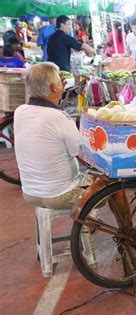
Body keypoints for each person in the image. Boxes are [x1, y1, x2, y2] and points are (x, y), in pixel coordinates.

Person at [14, 63, 87, 209]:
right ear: (54, 87)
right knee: (113, 185)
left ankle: (87, 225)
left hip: (29, 193)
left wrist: (57, 91)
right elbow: (81, 153)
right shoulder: (60, 118)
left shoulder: (20, 111)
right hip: (61, 195)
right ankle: (127, 227)